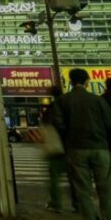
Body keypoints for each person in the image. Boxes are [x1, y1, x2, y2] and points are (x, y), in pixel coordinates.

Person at [52, 68, 111, 220]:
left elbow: (58, 124)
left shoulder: (63, 101)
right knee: (106, 193)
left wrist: (71, 134)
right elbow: (110, 123)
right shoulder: (98, 100)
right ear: (88, 81)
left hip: (76, 149)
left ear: (70, 81)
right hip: (100, 148)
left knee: (84, 192)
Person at [41, 85, 79, 213]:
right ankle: (78, 204)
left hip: (57, 148)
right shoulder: (72, 107)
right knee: (74, 178)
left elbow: (47, 126)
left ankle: (56, 203)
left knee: (54, 177)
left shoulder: (51, 109)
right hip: (72, 146)